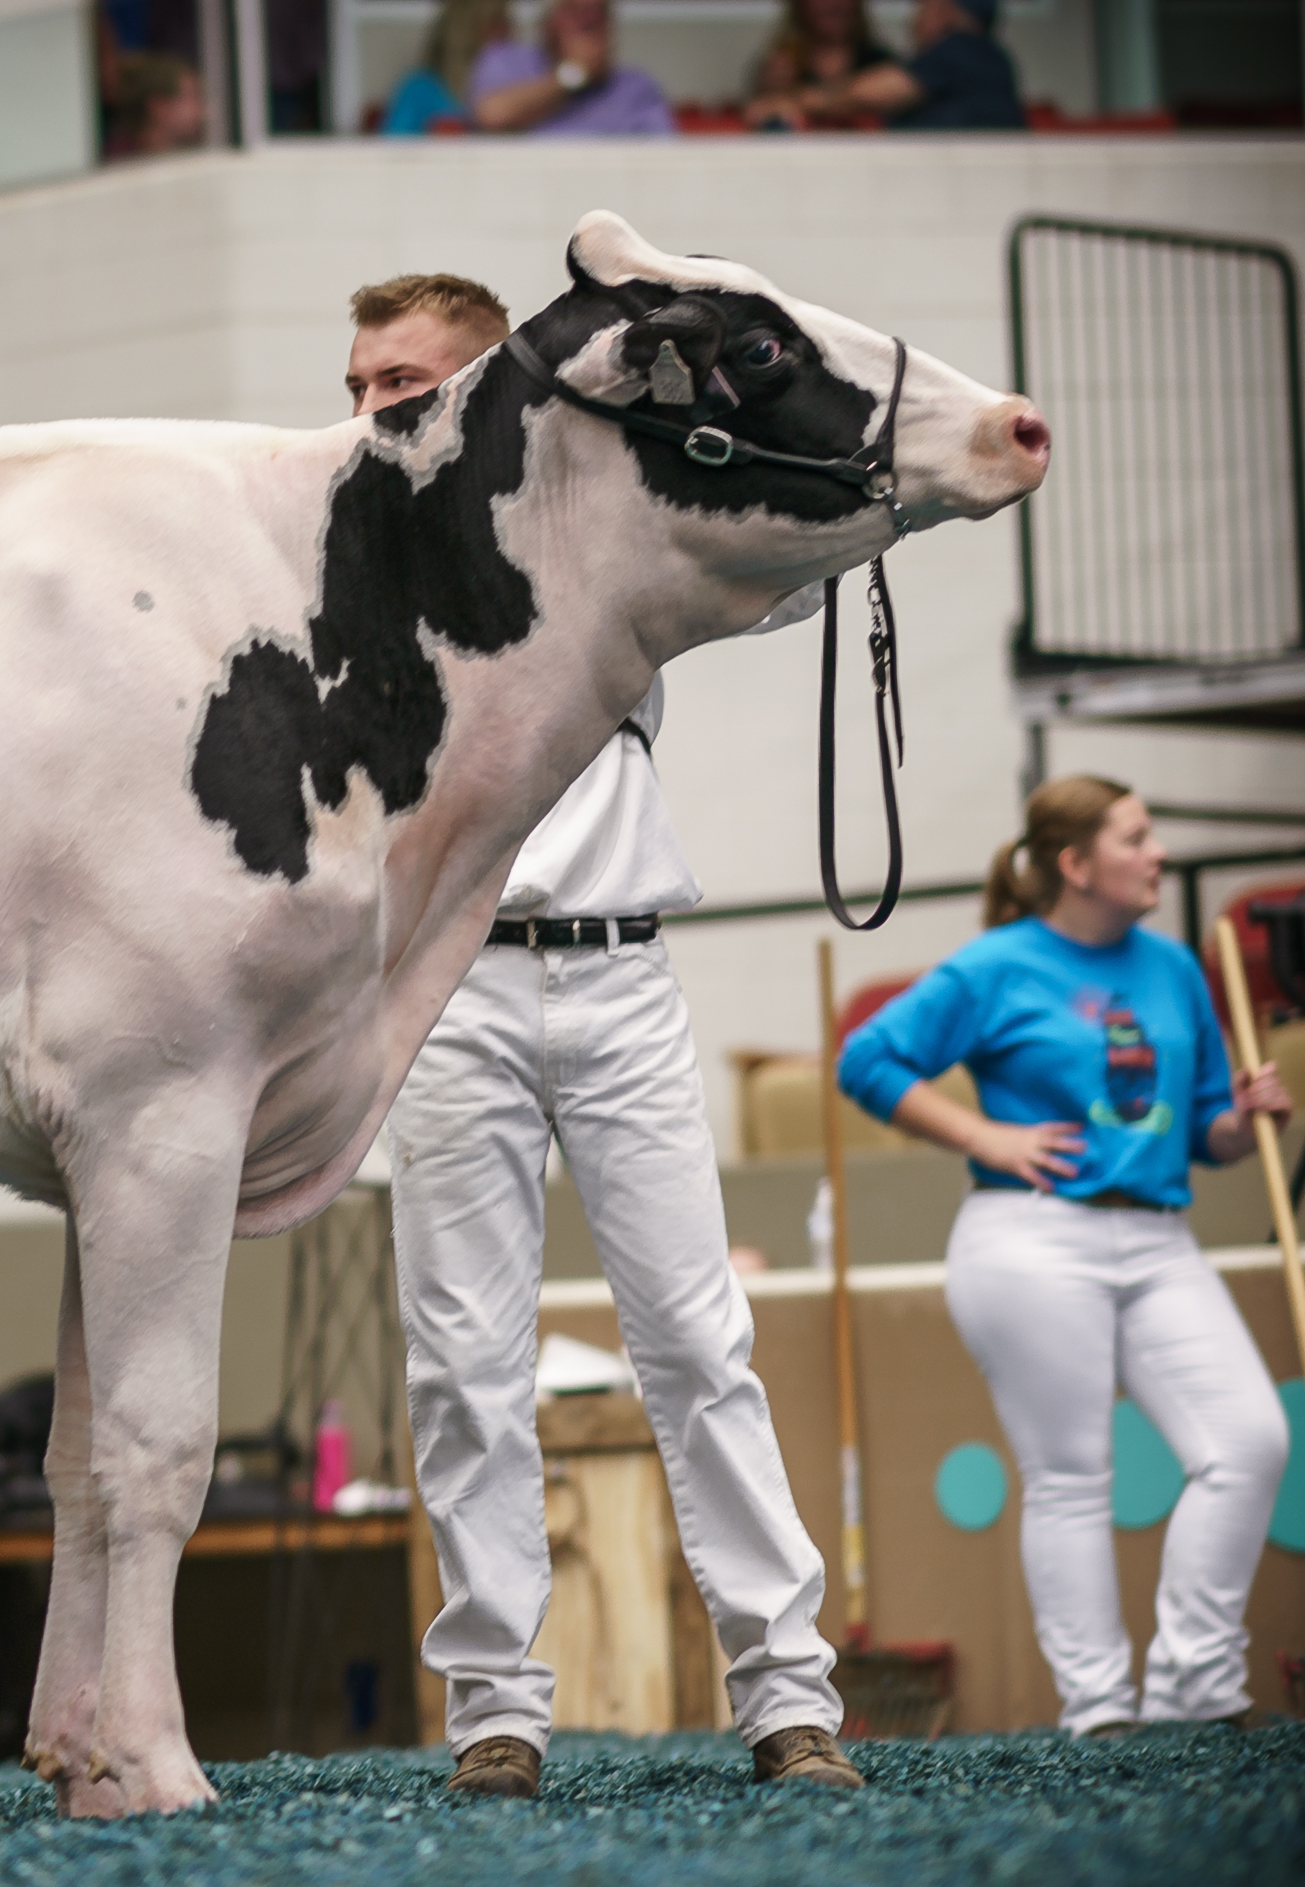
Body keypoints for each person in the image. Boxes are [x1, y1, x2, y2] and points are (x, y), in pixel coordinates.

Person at [358, 274, 859, 1798]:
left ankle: (790, 1698)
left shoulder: (603, 528)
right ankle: (495, 1715)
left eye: (401, 380)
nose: (372, 405)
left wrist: (713, 400)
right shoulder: (349, 552)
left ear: (479, 386)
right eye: (359, 380)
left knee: (698, 1340)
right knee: (463, 1362)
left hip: (622, 970)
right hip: (448, 986)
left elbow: (808, 556)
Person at [838, 777, 1293, 1736]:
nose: (1159, 854)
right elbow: (865, 1059)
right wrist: (982, 1135)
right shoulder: (998, 963)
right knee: (1071, 1477)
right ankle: (1099, 1709)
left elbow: (1207, 1130)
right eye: (1137, 838)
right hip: (1031, 1236)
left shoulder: (1175, 967)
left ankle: (1194, 1687)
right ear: (1077, 865)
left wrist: (1246, 1120)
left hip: (1160, 1235)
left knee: (1250, 1442)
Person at [761, 0, 1024, 131]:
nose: (914, 21)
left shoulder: (963, 49)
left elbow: (865, 94)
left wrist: (792, 101)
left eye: (922, 6)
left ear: (942, 11)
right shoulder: (985, 59)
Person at [468, 0, 672, 136]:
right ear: (549, 21)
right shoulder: (507, 61)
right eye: (576, 12)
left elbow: (665, 157)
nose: (589, 21)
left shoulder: (636, 87)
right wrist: (574, 74)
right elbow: (491, 115)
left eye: (599, 13)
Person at [743, 0, 901, 128]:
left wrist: (801, 101)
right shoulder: (784, 64)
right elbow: (756, 116)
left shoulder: (881, 63)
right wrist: (770, 92)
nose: (835, 4)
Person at [380, 0, 513, 136]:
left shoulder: (513, 90)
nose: (505, 31)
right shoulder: (420, 88)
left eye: (505, 21)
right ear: (464, 31)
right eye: (494, 23)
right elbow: (393, 144)